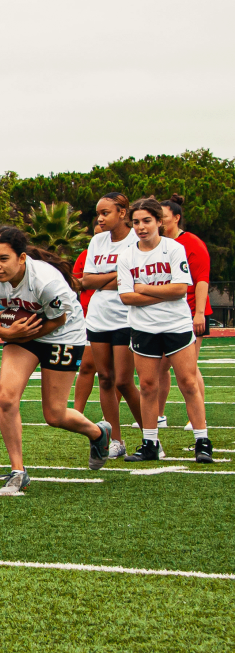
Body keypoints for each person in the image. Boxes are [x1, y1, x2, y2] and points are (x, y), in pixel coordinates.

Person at [0, 226, 113, 492]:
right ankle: (17, 470)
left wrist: (21, 335)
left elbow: (59, 319)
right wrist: (8, 333)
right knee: (6, 397)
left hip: (63, 333)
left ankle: (98, 433)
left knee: (55, 415)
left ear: (21, 258)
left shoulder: (46, 280)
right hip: (22, 334)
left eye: (3, 259)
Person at [117, 198, 210, 463]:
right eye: (136, 222)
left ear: (159, 221)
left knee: (188, 383)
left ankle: (202, 441)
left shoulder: (173, 248)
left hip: (176, 325)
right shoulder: (127, 255)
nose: (141, 227)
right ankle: (150, 443)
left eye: (147, 221)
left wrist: (144, 289)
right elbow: (125, 296)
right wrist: (162, 293)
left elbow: (180, 289)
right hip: (143, 327)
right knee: (147, 386)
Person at [81, 192, 145, 457]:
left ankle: (150, 436)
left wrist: (108, 279)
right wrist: (117, 276)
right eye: (98, 213)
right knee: (104, 378)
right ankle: (115, 440)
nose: (100, 218)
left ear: (122, 212)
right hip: (98, 315)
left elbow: (132, 280)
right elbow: (86, 280)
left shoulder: (136, 241)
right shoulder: (97, 240)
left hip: (126, 316)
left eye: (105, 213)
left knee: (124, 381)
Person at [156, 195, 210, 432]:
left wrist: (198, 314)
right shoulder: (156, 244)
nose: (159, 223)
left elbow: (201, 280)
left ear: (176, 218)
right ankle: (158, 415)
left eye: (163, 218)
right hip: (164, 314)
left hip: (189, 313)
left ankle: (199, 419)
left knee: (189, 368)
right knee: (159, 367)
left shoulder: (192, 242)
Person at [71, 224, 103, 414]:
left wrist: (95, 281)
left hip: (122, 318)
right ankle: (76, 412)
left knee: (116, 376)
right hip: (89, 317)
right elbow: (77, 282)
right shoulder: (86, 255)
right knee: (86, 366)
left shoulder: (128, 251)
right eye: (96, 235)